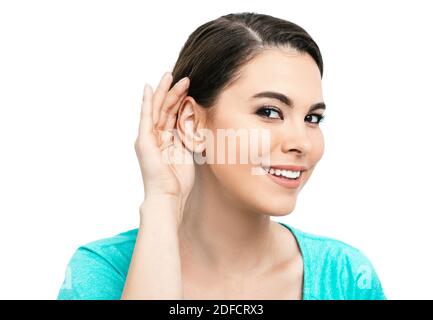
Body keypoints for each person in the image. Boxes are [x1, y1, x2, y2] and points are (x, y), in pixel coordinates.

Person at [57, 12, 386, 300]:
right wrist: (162, 200)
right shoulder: (102, 272)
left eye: (312, 118)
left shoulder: (346, 276)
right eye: (269, 111)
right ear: (192, 123)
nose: (302, 142)